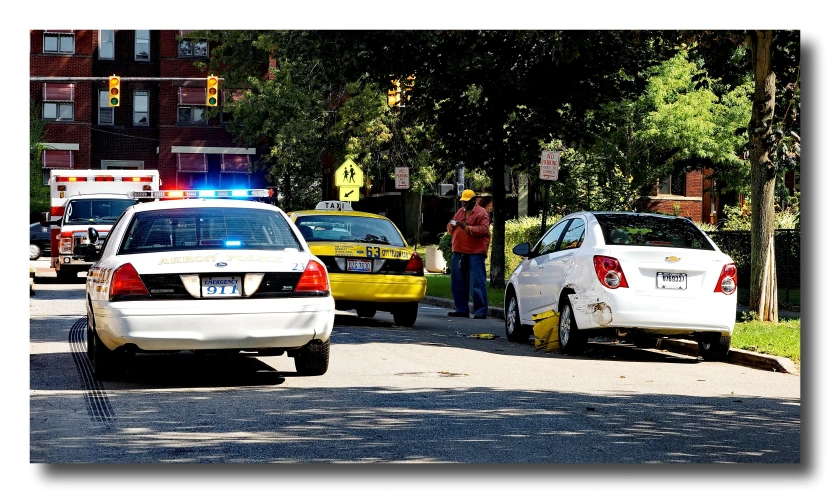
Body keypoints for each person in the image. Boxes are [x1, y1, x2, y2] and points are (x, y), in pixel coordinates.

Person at [446, 189, 491, 319]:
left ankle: (480, 311)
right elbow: (449, 226)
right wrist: (451, 226)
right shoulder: (460, 212)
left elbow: (483, 229)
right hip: (458, 251)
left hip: (475, 252)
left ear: (473, 200)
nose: (464, 204)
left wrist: (467, 227)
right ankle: (462, 309)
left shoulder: (481, 213)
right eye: (463, 202)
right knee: (458, 283)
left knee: (477, 283)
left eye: (466, 202)